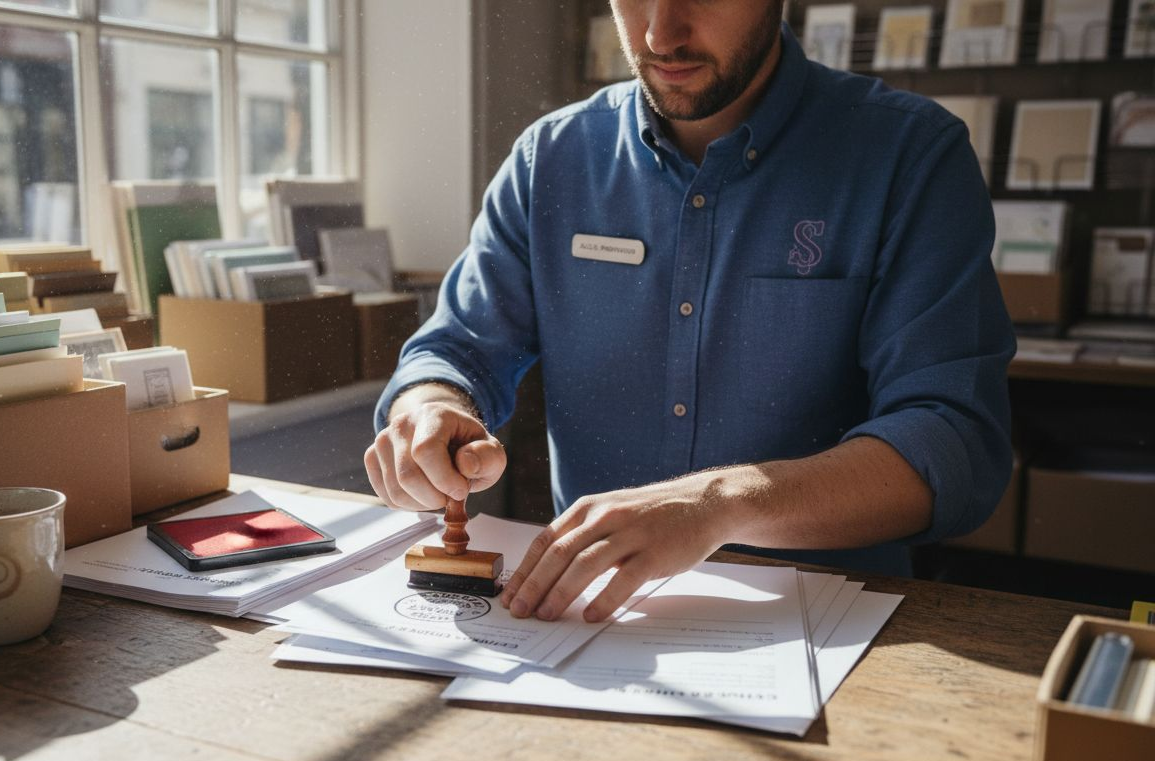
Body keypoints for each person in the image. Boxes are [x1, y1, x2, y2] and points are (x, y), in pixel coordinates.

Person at [364, 0, 1014, 624]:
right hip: (587, 631)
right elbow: (455, 348)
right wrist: (430, 403)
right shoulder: (550, 160)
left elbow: (954, 442)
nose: (659, 35)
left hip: (831, 631)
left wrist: (717, 506)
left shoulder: (910, 156)